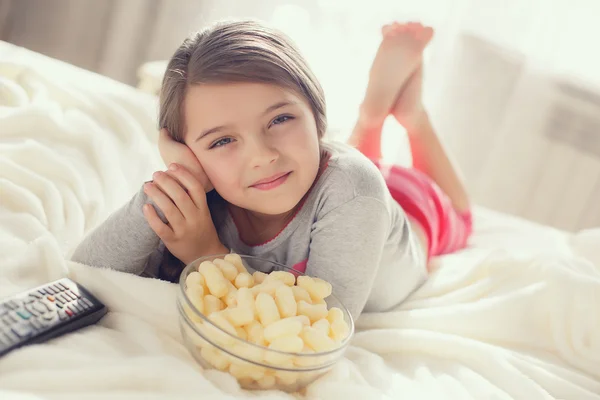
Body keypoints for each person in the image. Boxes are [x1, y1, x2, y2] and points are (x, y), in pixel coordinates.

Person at [71, 20, 471, 320]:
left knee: (461, 215)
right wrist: (181, 177)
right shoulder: (204, 185)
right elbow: (89, 268)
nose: (261, 156)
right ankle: (370, 124)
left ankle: (406, 118)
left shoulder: (356, 192)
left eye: (279, 120)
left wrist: (208, 256)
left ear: (317, 116)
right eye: (222, 141)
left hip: (410, 204)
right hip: (326, 171)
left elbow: (319, 325)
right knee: (355, 167)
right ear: (187, 151)